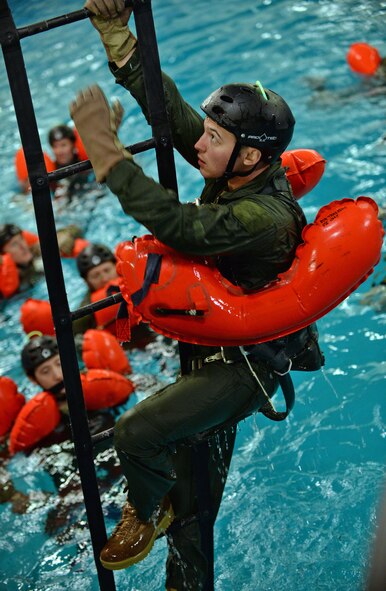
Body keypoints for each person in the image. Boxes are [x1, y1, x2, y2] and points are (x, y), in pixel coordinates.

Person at [70, 1, 310, 588]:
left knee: (137, 434)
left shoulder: (260, 215)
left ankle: (149, 508)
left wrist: (107, 155)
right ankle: (178, 537)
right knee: (196, 501)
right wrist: (114, 32)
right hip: (219, 341)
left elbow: (179, 228)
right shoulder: (237, 165)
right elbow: (171, 110)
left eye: (212, 136)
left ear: (248, 155)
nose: (197, 143)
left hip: (244, 369)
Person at [0, 222, 85, 299]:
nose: (22, 246)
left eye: (21, 239)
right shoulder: (11, 284)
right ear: (3, 255)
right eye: (14, 244)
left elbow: (75, 228)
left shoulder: (36, 251)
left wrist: (65, 235)